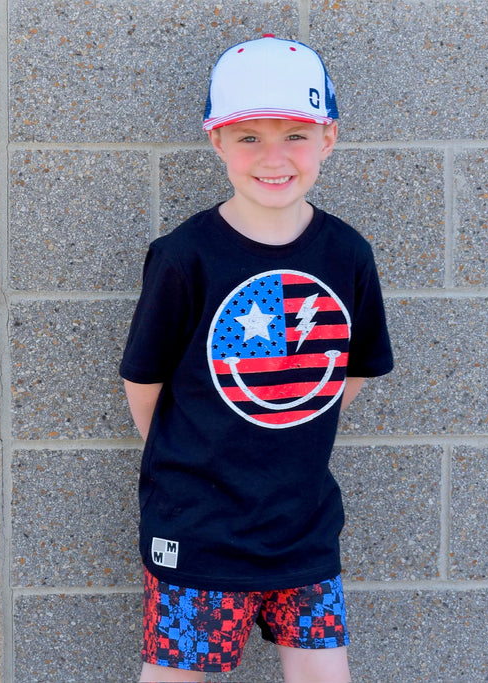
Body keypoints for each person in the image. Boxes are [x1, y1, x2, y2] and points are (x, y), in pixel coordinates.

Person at [119, 35, 394, 682]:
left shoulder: (347, 255)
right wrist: (202, 455)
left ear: (328, 138)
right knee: (176, 673)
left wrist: (284, 424)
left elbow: (351, 370)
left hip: (303, 526)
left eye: (296, 135)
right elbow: (144, 385)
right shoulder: (185, 257)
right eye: (249, 137)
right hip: (199, 529)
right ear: (217, 141)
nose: (274, 157)